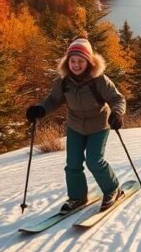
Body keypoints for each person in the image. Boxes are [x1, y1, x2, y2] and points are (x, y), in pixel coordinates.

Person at [26, 37, 128, 212]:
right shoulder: (64, 81)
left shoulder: (99, 80)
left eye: (81, 61)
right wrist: (40, 110)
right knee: (72, 164)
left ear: (89, 61)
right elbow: (53, 100)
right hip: (75, 126)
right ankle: (77, 197)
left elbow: (117, 98)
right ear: (68, 61)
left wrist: (117, 113)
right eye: (72, 60)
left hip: (99, 126)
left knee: (94, 161)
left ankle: (113, 189)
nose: (76, 64)